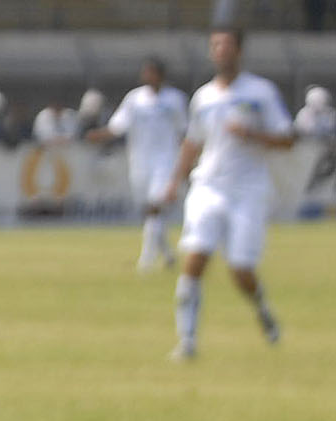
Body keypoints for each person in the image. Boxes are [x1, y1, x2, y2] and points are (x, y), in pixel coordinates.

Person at [162, 27, 294, 361]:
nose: (219, 51)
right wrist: (174, 181)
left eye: (226, 45)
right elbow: (193, 142)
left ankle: (261, 306)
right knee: (195, 258)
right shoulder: (203, 96)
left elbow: (287, 138)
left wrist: (252, 134)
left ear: (239, 51)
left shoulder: (260, 92)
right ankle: (187, 342)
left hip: (248, 190)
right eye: (215, 45)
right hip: (208, 186)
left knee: (240, 270)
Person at [86, 58, 188, 271]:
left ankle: (147, 260)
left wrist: (185, 164)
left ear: (160, 75)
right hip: (139, 162)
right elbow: (118, 126)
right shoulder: (134, 99)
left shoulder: (175, 99)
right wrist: (99, 135)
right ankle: (168, 254)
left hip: (165, 161)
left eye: (150, 72)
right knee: (148, 210)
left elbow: (183, 131)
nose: (146, 77)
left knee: (155, 207)